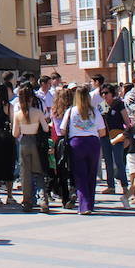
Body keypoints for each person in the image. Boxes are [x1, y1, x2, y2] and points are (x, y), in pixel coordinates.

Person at [59, 86, 104, 214]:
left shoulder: (70, 111)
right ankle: (90, 204)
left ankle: (83, 206)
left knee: (80, 175)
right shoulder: (95, 111)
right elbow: (102, 131)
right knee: (91, 174)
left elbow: (62, 130)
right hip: (93, 143)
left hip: (76, 143)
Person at [11, 84, 49, 213]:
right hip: (35, 141)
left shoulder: (18, 114)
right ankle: (43, 200)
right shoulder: (37, 112)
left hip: (24, 141)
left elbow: (15, 133)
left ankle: (27, 202)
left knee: (25, 174)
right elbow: (46, 128)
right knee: (38, 172)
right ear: (31, 98)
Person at [98, 84, 130, 201]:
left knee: (119, 161)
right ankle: (110, 185)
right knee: (107, 161)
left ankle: (125, 185)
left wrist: (126, 136)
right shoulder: (101, 106)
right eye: (102, 93)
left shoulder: (118, 104)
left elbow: (127, 121)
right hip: (105, 136)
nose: (104, 95)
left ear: (112, 93)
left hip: (118, 135)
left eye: (106, 92)